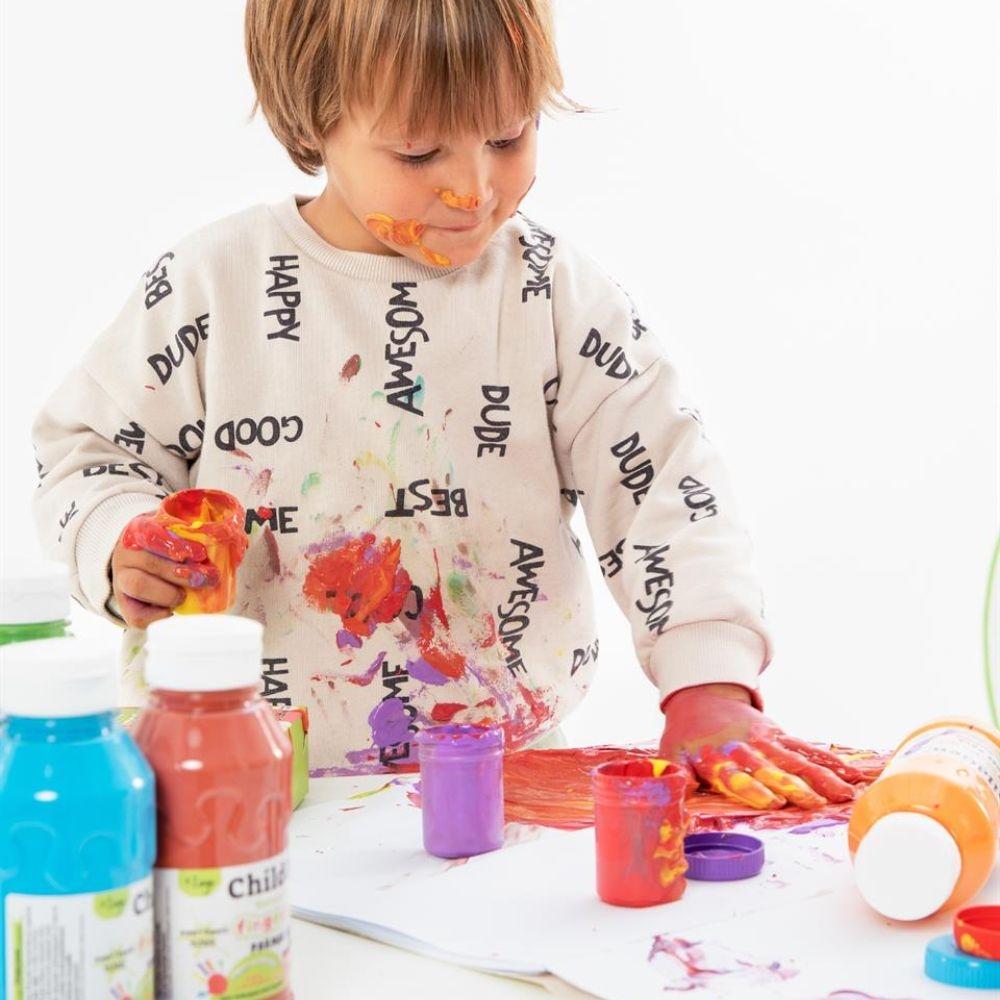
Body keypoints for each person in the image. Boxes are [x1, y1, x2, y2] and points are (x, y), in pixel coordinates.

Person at [31, 0, 861, 802]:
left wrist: (706, 679)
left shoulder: (551, 294)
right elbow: (90, 454)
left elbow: (665, 487)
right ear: (312, 120)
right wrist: (117, 543)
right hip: (232, 778)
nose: (475, 188)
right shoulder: (215, 285)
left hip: (507, 777)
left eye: (509, 135)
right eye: (419, 152)